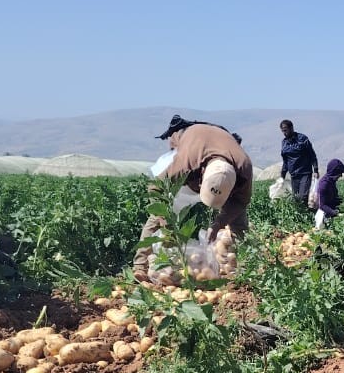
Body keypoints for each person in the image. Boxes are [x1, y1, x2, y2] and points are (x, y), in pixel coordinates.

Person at [133, 117, 253, 282]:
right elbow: (156, 188)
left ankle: (245, 267)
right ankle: (140, 265)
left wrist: (219, 223)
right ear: (203, 175)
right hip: (191, 155)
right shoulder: (186, 163)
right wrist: (166, 223)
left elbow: (240, 202)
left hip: (218, 153)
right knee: (157, 216)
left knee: (239, 221)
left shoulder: (244, 168)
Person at [279, 120, 319, 204]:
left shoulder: (302, 139)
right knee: (296, 198)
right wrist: (282, 175)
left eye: (286, 130)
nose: (284, 132)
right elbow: (285, 161)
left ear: (291, 128)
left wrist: (315, 169)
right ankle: (302, 214)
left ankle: (306, 215)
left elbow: (312, 154)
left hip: (305, 173)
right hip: (294, 175)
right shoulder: (284, 143)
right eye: (282, 131)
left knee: (303, 196)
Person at [313, 159, 344, 229]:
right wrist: (335, 213)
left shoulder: (331, 182)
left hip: (332, 208)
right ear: (334, 172)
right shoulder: (324, 184)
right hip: (325, 211)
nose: (340, 176)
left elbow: (334, 199)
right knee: (322, 225)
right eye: (339, 173)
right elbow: (322, 205)